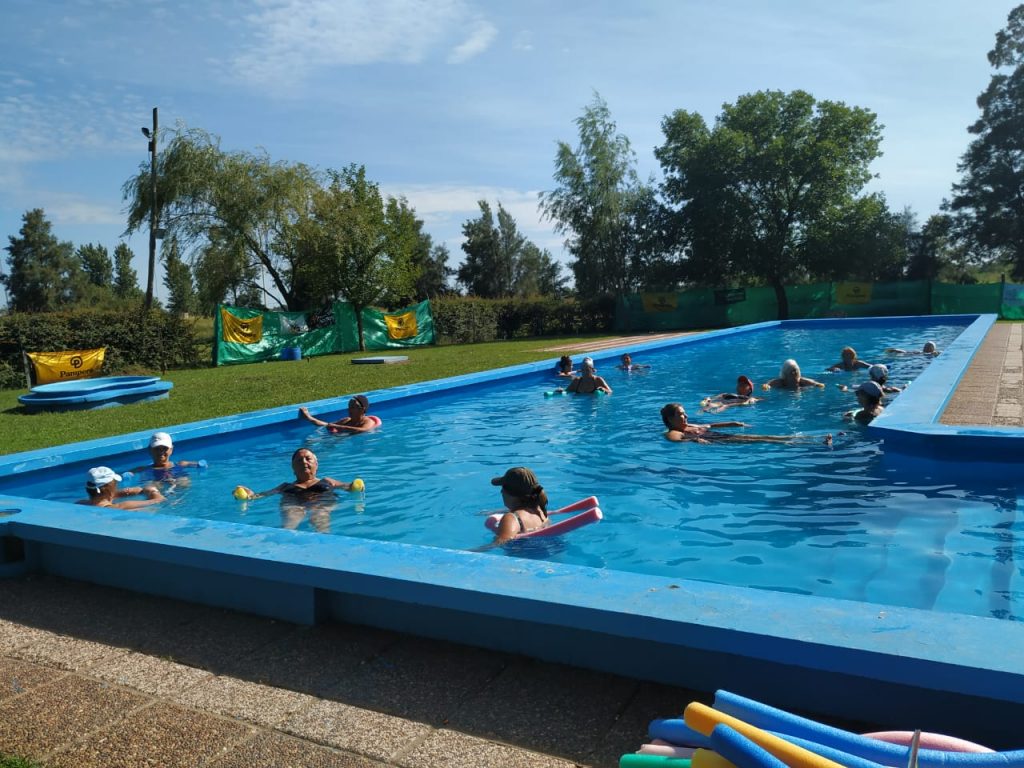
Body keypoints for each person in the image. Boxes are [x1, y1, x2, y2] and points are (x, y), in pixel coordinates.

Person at [660, 403, 824, 444]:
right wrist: (693, 440)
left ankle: (807, 439)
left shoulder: (688, 426)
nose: (686, 416)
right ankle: (809, 441)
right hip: (720, 441)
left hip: (719, 435)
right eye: (681, 414)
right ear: (670, 419)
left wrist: (733, 422)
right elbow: (675, 440)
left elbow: (710, 426)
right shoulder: (673, 432)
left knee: (760, 437)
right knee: (758, 439)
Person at [235, 448, 354, 499]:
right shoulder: (284, 486)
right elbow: (261, 496)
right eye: (299, 460)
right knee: (291, 519)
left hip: (322, 503)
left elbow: (347, 486)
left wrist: (354, 485)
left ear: (316, 464)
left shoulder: (327, 481)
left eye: (308, 459)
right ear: (293, 468)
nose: (304, 462)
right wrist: (250, 495)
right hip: (294, 504)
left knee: (320, 516)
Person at [490, 467, 550, 544]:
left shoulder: (511, 518)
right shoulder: (541, 511)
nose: (501, 491)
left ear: (511, 493)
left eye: (503, 487)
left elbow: (498, 544)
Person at [127, 432, 204, 488]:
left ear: (171, 450)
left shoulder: (181, 464)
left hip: (177, 485)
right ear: (150, 450)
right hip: (155, 484)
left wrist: (200, 464)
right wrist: (128, 475)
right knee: (151, 487)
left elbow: (200, 464)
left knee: (183, 481)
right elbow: (128, 473)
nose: (161, 452)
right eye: (157, 449)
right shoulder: (143, 469)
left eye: (165, 448)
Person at [77, 466, 165, 510]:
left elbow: (103, 495)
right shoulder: (121, 506)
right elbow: (159, 500)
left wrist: (135, 491)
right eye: (115, 485)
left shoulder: (80, 504)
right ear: (109, 490)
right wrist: (153, 491)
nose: (117, 487)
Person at [299, 395, 378, 433]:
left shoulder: (368, 422)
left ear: (362, 410)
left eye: (353, 407)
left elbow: (364, 430)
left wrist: (339, 427)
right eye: (349, 407)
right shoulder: (346, 420)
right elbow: (327, 424)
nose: (349, 410)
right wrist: (309, 417)